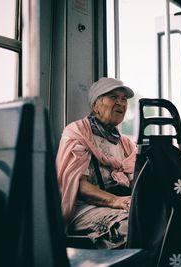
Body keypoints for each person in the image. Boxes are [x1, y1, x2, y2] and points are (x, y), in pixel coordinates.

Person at [56, 77, 137, 249]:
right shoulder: (78, 133)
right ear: (95, 106)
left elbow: (135, 181)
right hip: (84, 208)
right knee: (133, 228)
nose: (120, 103)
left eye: (123, 99)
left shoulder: (125, 143)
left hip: (119, 202)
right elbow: (79, 186)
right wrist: (117, 201)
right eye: (113, 97)